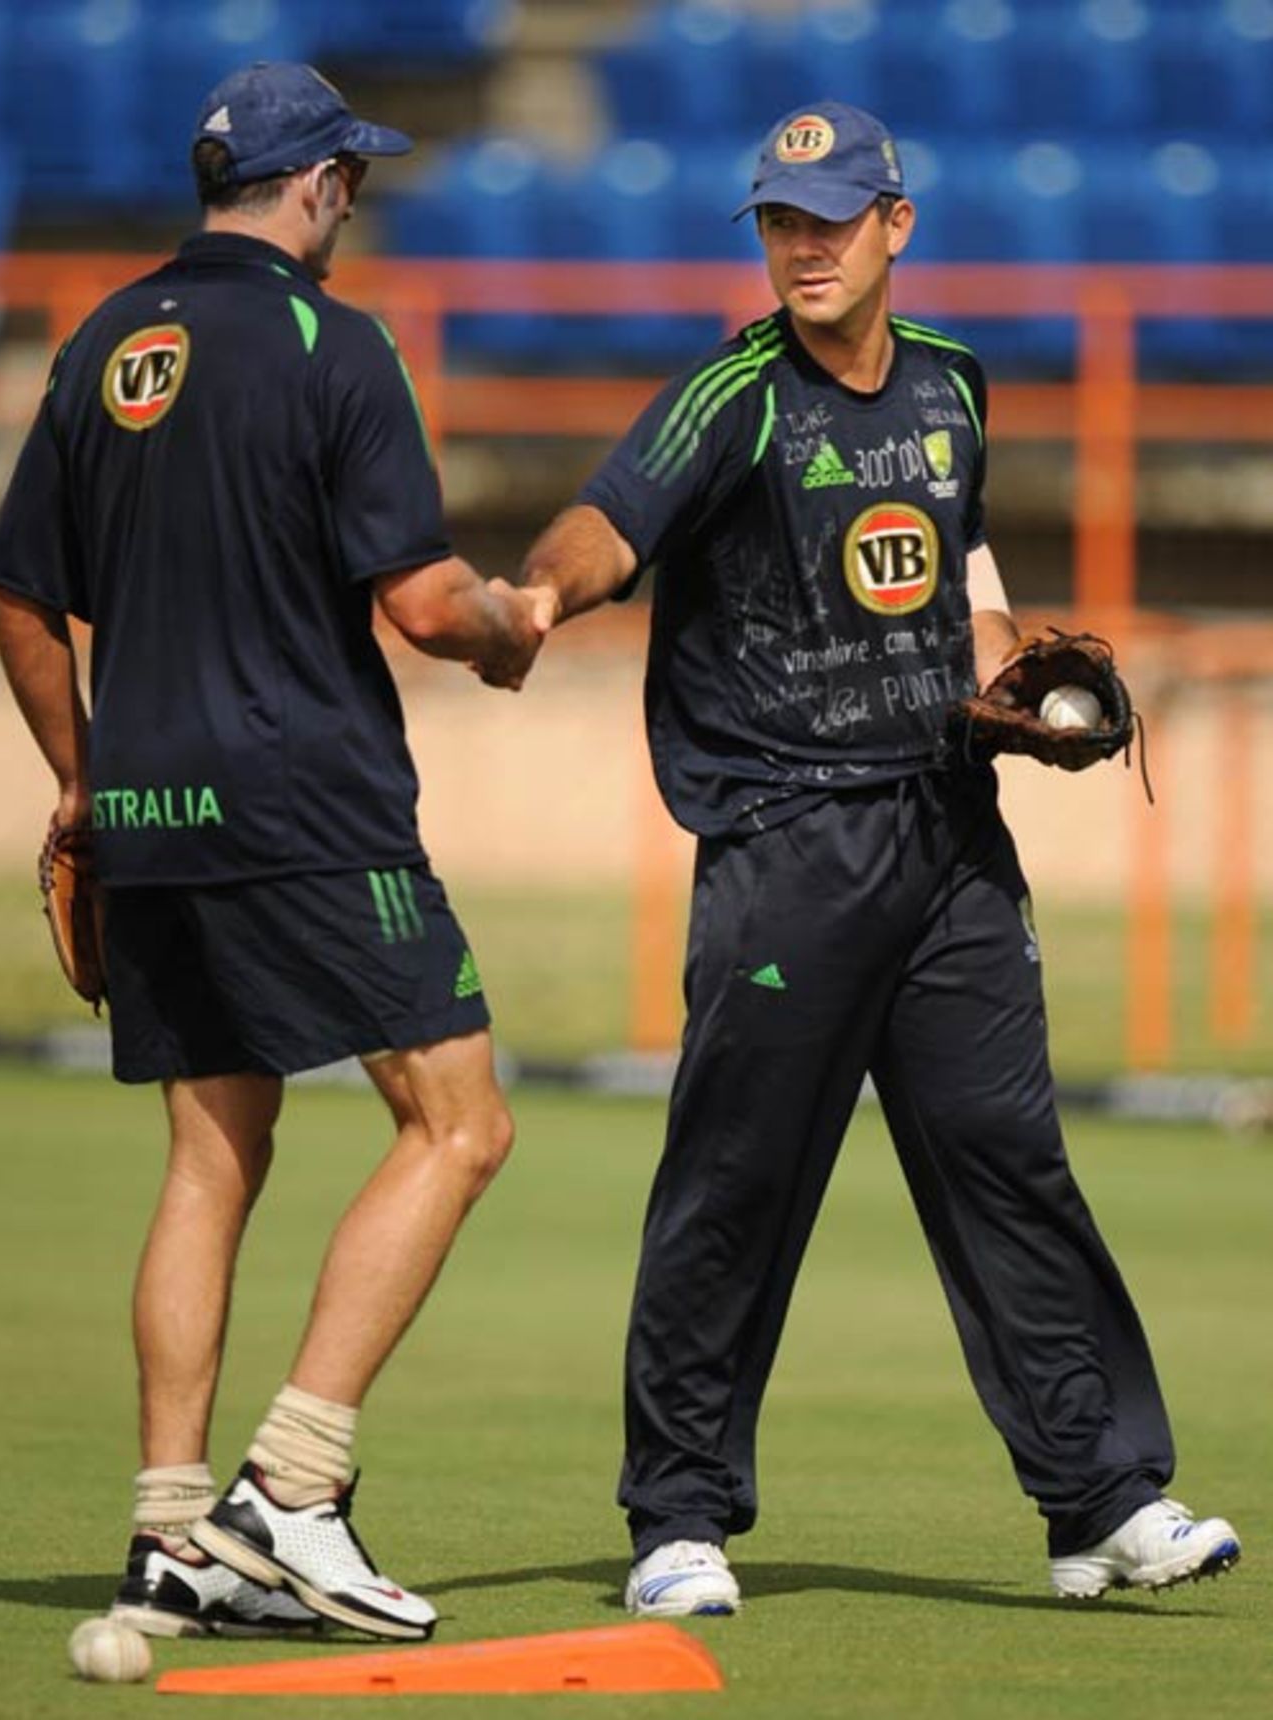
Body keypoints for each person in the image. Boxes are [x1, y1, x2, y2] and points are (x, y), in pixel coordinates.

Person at [518, 100, 1241, 1614]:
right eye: (781, 222)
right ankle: (677, 1519)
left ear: (894, 225)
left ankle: (1099, 1500)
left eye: (832, 218)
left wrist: (1007, 667)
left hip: (949, 839)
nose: (805, 247)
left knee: (1010, 1163)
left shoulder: (955, 384)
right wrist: (536, 599)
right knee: (738, 1180)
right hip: (789, 841)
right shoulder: (731, 397)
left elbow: (962, 552)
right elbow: (606, 522)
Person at [0, 62, 553, 1641]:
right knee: (461, 1125)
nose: (353, 202)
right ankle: (292, 1493)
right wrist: (509, 626)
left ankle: (171, 1533)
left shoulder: (103, 339)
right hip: (306, 806)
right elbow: (425, 604)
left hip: (150, 813)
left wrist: (85, 781)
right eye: (349, 180)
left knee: (212, 1152)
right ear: (315, 188)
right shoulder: (338, 343)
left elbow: (19, 597)